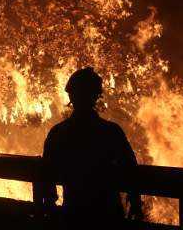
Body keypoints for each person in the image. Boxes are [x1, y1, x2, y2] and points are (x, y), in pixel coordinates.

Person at [41, 67, 142, 229]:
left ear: (71, 96)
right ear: (96, 96)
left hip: (74, 215)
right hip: (107, 215)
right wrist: (135, 202)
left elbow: (46, 174)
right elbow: (130, 168)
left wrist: (49, 205)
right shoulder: (111, 131)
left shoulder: (58, 133)